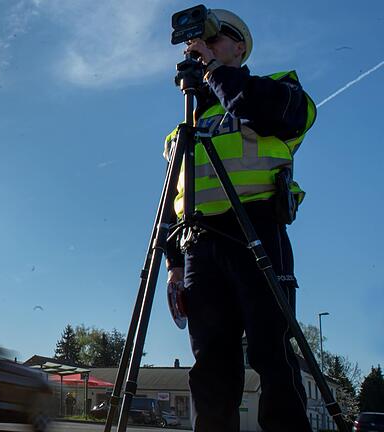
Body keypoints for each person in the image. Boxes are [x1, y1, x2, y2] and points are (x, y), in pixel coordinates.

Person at [163, 9, 317, 432]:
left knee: (272, 352)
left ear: (240, 47)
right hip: (199, 247)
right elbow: (173, 201)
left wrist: (213, 72)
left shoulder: (280, 91)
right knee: (211, 361)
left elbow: (265, 110)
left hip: (257, 233)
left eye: (216, 39)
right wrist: (173, 263)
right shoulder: (184, 128)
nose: (205, 47)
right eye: (201, 42)